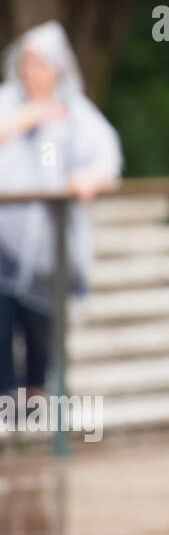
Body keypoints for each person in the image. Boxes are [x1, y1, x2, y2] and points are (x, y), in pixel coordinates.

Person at [0, 21, 123, 399]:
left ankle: (35, 408)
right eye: (27, 64)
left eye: (39, 64)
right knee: (2, 325)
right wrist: (26, 119)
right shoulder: (8, 103)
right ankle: (6, 404)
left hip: (48, 246)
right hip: (4, 239)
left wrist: (89, 178)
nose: (31, 72)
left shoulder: (75, 112)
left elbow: (108, 157)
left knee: (41, 328)